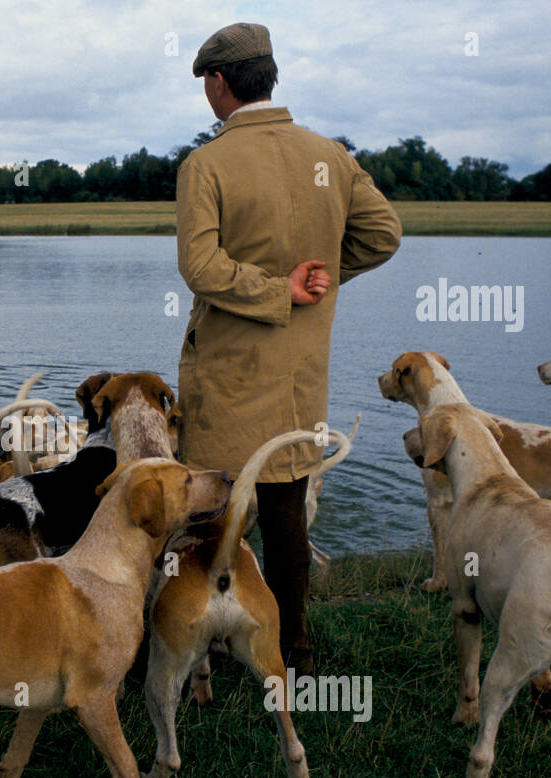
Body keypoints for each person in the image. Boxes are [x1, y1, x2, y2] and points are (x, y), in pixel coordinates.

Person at [175, 23, 402, 675]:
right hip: (302, 372)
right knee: (286, 515)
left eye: (205, 85)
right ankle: (294, 653)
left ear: (219, 83)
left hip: (227, 368)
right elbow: (384, 235)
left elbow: (200, 266)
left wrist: (281, 290)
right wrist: (319, 280)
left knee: (212, 508)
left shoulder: (206, 164)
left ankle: (200, 645)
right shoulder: (328, 152)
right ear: (268, 77)